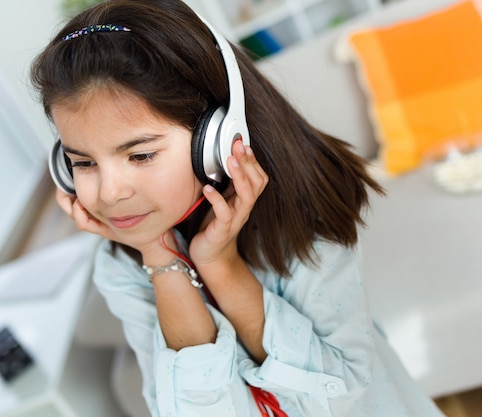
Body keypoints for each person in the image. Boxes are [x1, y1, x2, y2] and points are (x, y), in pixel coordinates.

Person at [31, 1, 446, 416]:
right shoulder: (123, 263)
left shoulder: (303, 221)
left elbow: (341, 395)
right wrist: (159, 256)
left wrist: (221, 267)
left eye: (140, 156)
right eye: (83, 163)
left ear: (217, 138)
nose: (109, 193)